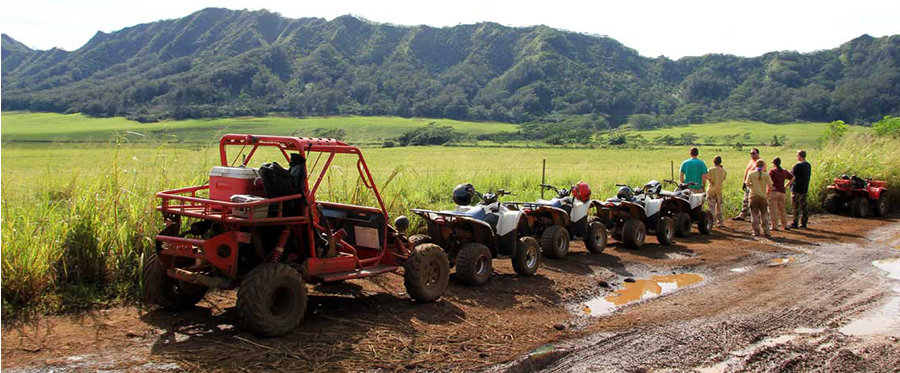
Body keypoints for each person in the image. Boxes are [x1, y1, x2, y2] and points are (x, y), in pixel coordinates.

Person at [732, 148, 763, 221]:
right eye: (751, 153)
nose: (752, 155)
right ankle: (742, 215)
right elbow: (747, 172)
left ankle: (756, 217)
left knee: (754, 201)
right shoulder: (751, 161)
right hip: (748, 183)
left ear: (758, 154)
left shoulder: (760, 162)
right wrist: (744, 182)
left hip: (754, 184)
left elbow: (760, 173)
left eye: (753, 153)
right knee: (745, 200)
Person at [746, 159, 773, 237]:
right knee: (764, 214)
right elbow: (770, 185)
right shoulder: (766, 175)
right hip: (763, 196)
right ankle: (766, 231)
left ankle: (756, 231)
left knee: (754, 215)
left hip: (753, 196)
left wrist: (752, 186)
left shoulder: (751, 174)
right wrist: (768, 194)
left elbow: (747, 184)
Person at [767, 157, 794, 231]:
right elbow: (792, 177)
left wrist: (768, 192)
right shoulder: (784, 171)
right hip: (782, 192)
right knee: (782, 209)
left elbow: (769, 183)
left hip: (774, 191)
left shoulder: (772, 171)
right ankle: (785, 225)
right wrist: (786, 185)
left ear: (774, 163)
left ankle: (774, 226)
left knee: (773, 210)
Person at [788, 150, 812, 229]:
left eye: (797, 155)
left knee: (796, 207)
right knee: (804, 206)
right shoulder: (808, 165)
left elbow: (791, 176)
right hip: (804, 188)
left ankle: (795, 223)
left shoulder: (797, 166)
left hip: (796, 188)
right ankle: (804, 223)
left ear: (799, 156)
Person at [707, 155, 727, 228]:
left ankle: (712, 222)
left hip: (711, 189)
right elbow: (723, 179)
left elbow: (707, 177)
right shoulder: (724, 171)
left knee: (711, 207)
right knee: (719, 207)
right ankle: (720, 222)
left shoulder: (710, 170)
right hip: (719, 190)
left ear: (713, 162)